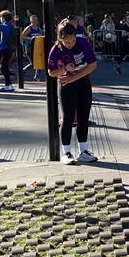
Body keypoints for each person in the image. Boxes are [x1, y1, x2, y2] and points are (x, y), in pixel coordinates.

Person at [47, 19, 99, 164]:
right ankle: (66, 152)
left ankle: (83, 150)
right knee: (68, 117)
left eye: (73, 40)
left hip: (82, 82)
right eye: (67, 42)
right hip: (65, 85)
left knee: (84, 116)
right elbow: (51, 72)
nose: (71, 44)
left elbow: (93, 65)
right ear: (60, 38)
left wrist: (74, 77)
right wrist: (64, 70)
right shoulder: (55, 50)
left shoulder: (82, 43)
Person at [0, 10, 15, 92]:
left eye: (1, 17)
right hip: (9, 48)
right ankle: (9, 85)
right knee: (5, 67)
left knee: (3, 67)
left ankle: (8, 85)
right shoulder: (11, 25)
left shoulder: (5, 26)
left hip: (5, 48)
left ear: (3, 18)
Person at [21, 14, 45, 80]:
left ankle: (36, 76)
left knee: (38, 62)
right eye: (34, 20)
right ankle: (23, 70)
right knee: (34, 63)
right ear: (31, 21)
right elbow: (22, 36)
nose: (36, 21)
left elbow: (42, 35)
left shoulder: (39, 29)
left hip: (37, 47)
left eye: (36, 20)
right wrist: (30, 38)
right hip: (29, 48)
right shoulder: (29, 28)